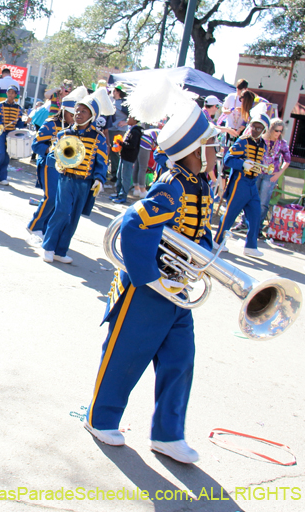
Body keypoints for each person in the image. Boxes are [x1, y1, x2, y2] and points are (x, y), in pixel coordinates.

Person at [85, 91, 219, 465]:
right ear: (191, 149)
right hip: (148, 288)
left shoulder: (198, 182)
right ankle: (101, 419)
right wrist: (148, 277)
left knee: (180, 360)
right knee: (126, 356)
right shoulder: (172, 183)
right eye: (206, 146)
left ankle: (168, 434)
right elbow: (134, 224)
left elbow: (197, 230)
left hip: (178, 287)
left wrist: (204, 258)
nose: (212, 152)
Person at [41, 87, 109, 264]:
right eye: (77, 110)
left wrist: (100, 179)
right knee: (61, 212)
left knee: (73, 217)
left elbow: (102, 162)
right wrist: (56, 161)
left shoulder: (98, 138)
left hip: (84, 183)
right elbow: (51, 157)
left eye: (83, 111)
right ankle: (48, 247)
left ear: (92, 115)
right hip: (66, 179)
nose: (78, 113)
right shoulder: (64, 134)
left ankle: (60, 251)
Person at [27, 86, 85, 240]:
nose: (74, 118)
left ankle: (45, 229)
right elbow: (36, 145)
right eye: (71, 114)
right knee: (51, 197)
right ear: (64, 110)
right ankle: (34, 225)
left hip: (66, 168)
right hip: (49, 164)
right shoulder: (51, 123)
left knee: (60, 201)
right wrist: (53, 150)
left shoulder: (76, 129)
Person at [214, 107, 270, 257]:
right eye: (254, 126)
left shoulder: (263, 144)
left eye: (259, 128)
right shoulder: (243, 141)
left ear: (264, 129)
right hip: (240, 182)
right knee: (230, 213)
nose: (256, 130)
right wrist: (243, 164)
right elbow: (228, 159)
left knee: (255, 214)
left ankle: (250, 246)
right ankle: (218, 240)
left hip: (253, 183)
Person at [256, 118, 291, 235]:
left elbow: (288, 160)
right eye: (276, 130)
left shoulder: (282, 143)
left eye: (281, 131)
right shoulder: (261, 139)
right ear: (270, 129)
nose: (278, 133)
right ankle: (245, 223)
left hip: (271, 175)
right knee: (251, 198)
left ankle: (258, 227)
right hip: (257, 171)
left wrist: (280, 172)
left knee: (263, 202)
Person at [0, 85, 25, 186]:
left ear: (15, 95)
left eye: (13, 93)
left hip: (11, 134)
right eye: (9, 92)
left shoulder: (18, 108)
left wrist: (25, 123)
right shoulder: (0, 106)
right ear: (7, 93)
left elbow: (19, 124)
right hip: (1, 132)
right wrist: (1, 125)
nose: (10, 94)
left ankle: (2, 177)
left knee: (7, 155)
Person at [110, 117, 142, 204]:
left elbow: (132, 145)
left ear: (135, 120)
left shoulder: (136, 131)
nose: (127, 119)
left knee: (125, 177)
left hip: (129, 157)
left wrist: (120, 143)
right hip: (123, 156)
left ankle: (123, 196)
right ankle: (118, 193)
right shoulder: (131, 129)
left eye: (130, 118)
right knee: (119, 175)